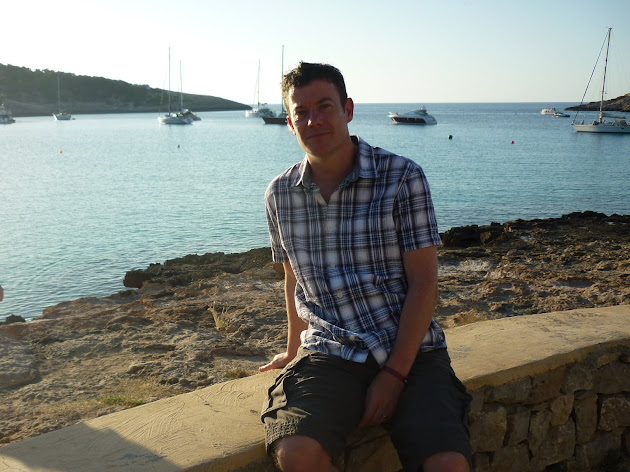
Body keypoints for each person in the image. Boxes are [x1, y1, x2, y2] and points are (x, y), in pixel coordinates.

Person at [259, 62, 471, 472]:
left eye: (325, 107)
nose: (313, 120)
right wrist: (292, 350)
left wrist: (393, 375)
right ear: (289, 122)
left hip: (412, 349)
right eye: (301, 112)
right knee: (296, 452)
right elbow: (293, 279)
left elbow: (424, 281)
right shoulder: (279, 194)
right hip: (330, 350)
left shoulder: (402, 177)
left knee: (447, 464)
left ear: (348, 110)